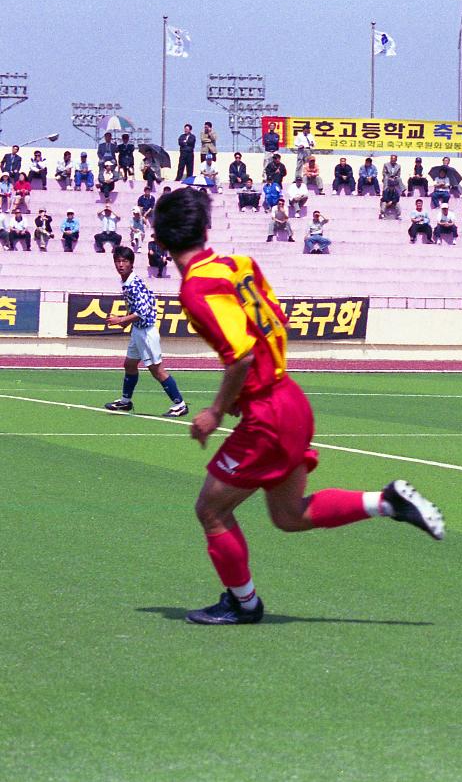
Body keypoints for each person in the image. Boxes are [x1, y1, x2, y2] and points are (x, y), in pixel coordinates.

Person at [150, 187, 444, 625]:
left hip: (268, 413)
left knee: (210, 510)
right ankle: (386, 502)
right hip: (290, 398)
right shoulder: (239, 265)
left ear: (159, 242)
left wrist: (215, 409)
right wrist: (245, 392)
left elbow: (242, 353)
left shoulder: (194, 288)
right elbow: (272, 323)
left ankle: (243, 604)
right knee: (289, 516)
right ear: (206, 228)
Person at [100, 245, 189, 417]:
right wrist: (126, 321)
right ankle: (125, 401)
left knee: (157, 370)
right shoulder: (127, 281)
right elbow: (140, 304)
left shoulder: (133, 283)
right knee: (130, 364)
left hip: (146, 332)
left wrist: (121, 320)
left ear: (131, 264)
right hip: (138, 330)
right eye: (117, 261)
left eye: (124, 261)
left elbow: (143, 311)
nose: (120, 264)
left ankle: (180, 404)